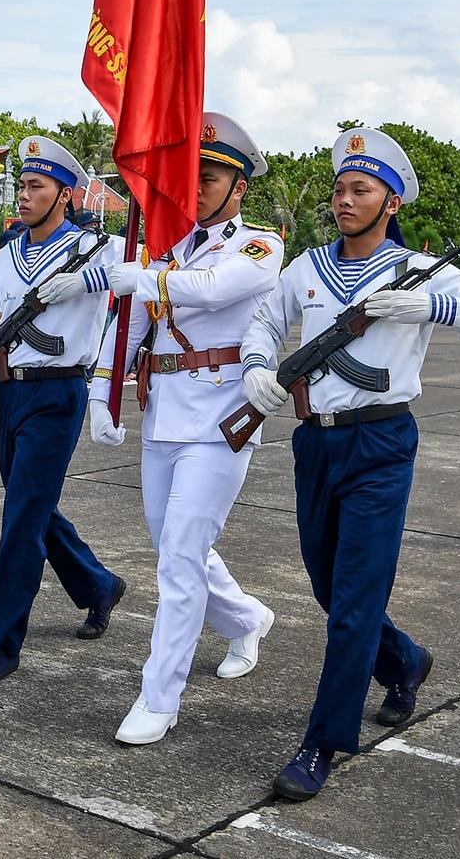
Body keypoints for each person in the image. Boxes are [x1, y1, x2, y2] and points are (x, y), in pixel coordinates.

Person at [240, 126, 460, 800]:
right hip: (316, 441)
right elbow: (264, 321)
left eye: (360, 189)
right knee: (327, 584)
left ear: (390, 202)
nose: (345, 199)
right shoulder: (308, 267)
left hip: (381, 443)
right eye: (340, 188)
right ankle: (404, 660)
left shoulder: (419, 270)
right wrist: (255, 368)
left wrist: (433, 304)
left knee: (355, 598)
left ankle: (322, 740)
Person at [84, 113, 283, 747]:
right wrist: (101, 393)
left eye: (209, 177)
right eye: (189, 174)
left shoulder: (258, 246)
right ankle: (246, 617)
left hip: (222, 418)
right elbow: (130, 329)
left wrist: (146, 276)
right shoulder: (164, 249)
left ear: (239, 188)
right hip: (164, 413)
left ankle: (159, 696)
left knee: (178, 558)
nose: (194, 187)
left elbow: (215, 290)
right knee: (172, 544)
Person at [0, 135, 129, 690]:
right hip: (11, 393)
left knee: (20, 521)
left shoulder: (96, 248)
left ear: (65, 195)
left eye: (37, 186)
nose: (24, 195)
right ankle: (98, 584)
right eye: (23, 185)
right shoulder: (7, 253)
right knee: (31, 507)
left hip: (58, 394)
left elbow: (143, 266)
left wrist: (85, 280)